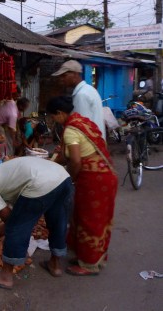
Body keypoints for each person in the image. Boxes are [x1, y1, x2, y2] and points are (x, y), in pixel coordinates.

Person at [0, 157, 73, 289]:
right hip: (63, 177)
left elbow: (7, 216)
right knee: (58, 221)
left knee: (17, 226)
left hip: (41, 182)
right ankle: (55, 265)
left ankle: (5, 276)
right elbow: (19, 205)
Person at [46, 95, 118, 276]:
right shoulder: (81, 121)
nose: (54, 121)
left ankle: (88, 264)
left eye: (53, 117)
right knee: (87, 217)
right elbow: (71, 154)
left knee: (89, 220)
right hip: (104, 174)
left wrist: (69, 178)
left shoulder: (71, 130)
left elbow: (76, 161)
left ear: (60, 113)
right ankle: (89, 257)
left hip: (93, 179)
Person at [52, 60, 106, 140]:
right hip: (95, 142)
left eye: (64, 76)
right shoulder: (88, 89)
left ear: (75, 74)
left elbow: (82, 126)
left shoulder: (81, 95)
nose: (61, 79)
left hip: (89, 144)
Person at [0, 88, 21, 156]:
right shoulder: (13, 114)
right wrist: (14, 140)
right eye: (17, 96)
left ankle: (7, 154)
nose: (17, 97)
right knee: (3, 141)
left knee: (8, 139)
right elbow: (12, 130)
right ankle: (2, 156)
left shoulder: (12, 102)